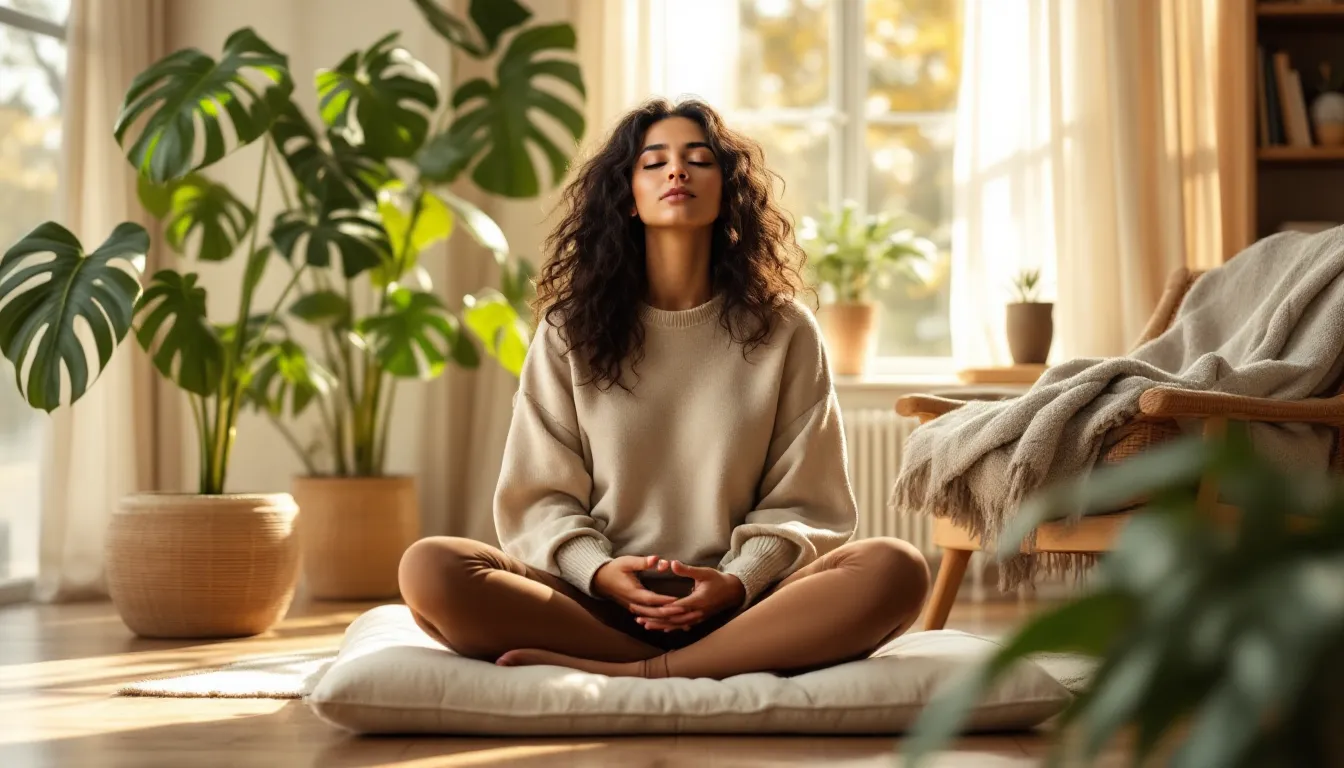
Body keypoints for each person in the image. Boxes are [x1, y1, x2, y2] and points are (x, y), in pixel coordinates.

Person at [398, 98, 930, 680]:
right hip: (596, 603)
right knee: (431, 567)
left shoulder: (786, 329)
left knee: (896, 567)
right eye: (654, 163)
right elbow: (540, 496)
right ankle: (678, 666)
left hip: (744, 606)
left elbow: (806, 500)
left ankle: (643, 673)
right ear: (628, 197)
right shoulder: (568, 330)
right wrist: (600, 572)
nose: (677, 171)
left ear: (728, 191)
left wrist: (736, 580)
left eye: (698, 160)